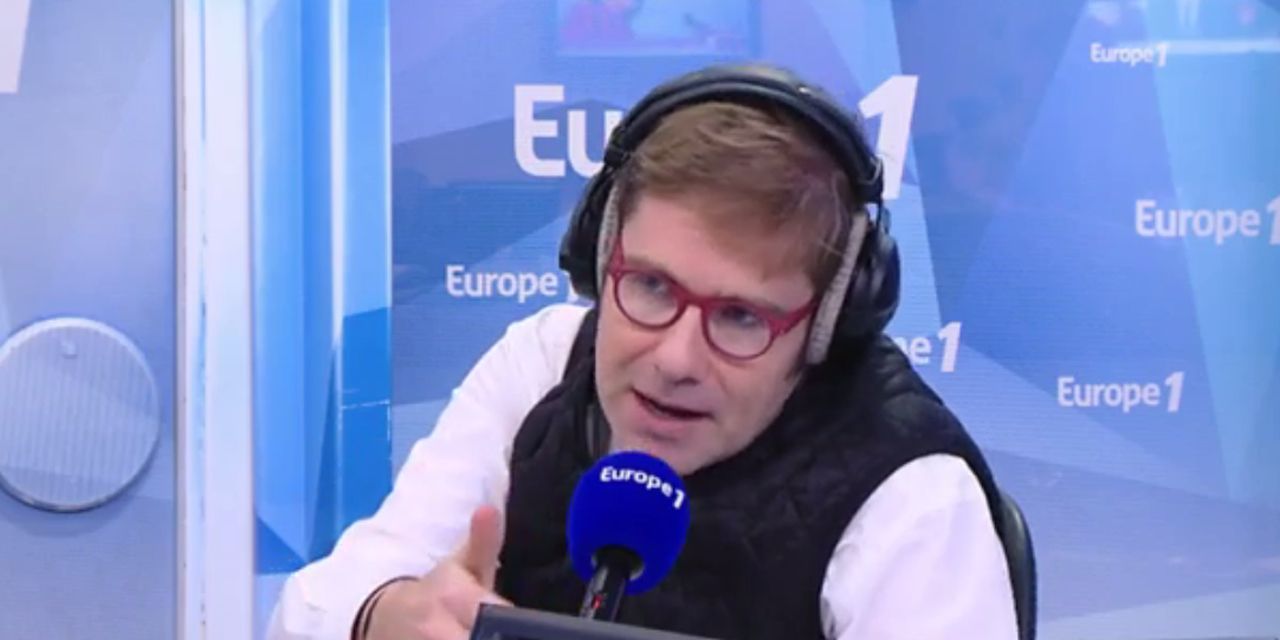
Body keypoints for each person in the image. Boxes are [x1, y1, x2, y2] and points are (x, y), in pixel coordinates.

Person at [267, 64, 1020, 640]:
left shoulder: (908, 490)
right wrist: (385, 613)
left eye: (740, 317)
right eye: (652, 287)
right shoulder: (545, 364)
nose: (675, 360)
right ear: (602, 257)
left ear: (824, 326)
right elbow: (308, 609)